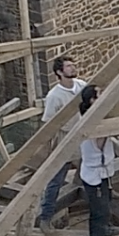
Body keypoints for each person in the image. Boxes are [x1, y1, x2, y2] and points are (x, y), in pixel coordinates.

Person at [73, 85, 118, 236]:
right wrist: (110, 128)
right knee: (97, 214)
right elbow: (98, 143)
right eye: (99, 94)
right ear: (92, 100)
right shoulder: (89, 123)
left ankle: (106, 227)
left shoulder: (96, 118)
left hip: (104, 172)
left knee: (106, 203)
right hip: (94, 175)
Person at [37, 54, 86, 221]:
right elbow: (48, 124)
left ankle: (99, 193)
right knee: (56, 179)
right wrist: (48, 148)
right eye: (68, 66)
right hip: (65, 139)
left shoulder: (81, 86)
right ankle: (46, 215)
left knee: (94, 168)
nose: (73, 67)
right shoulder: (54, 96)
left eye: (73, 65)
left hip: (83, 135)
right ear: (59, 72)